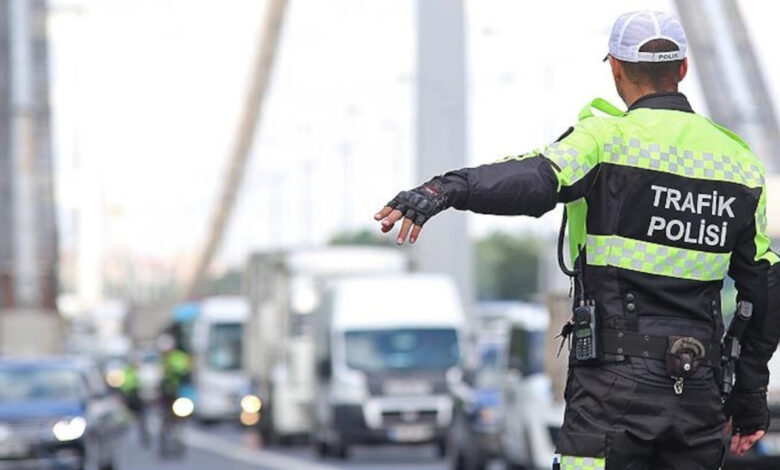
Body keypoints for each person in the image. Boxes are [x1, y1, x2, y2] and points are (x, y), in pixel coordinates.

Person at [374, 10, 779, 470]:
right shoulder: (738, 163)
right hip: (698, 390)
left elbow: (534, 178)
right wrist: (748, 398)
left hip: (612, 388)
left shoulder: (606, 139)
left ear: (615, 68)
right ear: (683, 69)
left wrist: (445, 190)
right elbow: (763, 289)